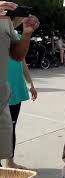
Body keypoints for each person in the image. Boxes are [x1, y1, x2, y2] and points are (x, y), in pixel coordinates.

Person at [0, 1, 39, 166]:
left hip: (8, 91)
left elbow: (18, 57)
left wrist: (26, 34)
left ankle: (9, 162)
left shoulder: (8, 27)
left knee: (9, 130)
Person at [6, 32, 38, 169]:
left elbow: (22, 60)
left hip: (15, 90)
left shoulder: (17, 35)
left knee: (11, 128)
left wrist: (30, 84)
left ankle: (9, 162)